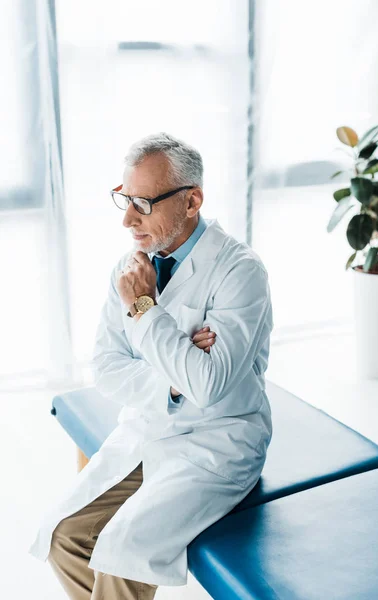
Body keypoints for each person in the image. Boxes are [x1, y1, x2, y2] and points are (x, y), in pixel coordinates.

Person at [28, 132, 274, 599]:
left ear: (192, 200)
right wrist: (176, 380)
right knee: (65, 537)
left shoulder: (240, 271)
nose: (127, 219)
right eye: (124, 198)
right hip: (147, 429)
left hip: (218, 442)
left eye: (142, 202)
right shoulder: (130, 266)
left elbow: (209, 386)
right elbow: (106, 366)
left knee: (123, 551)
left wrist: (143, 308)